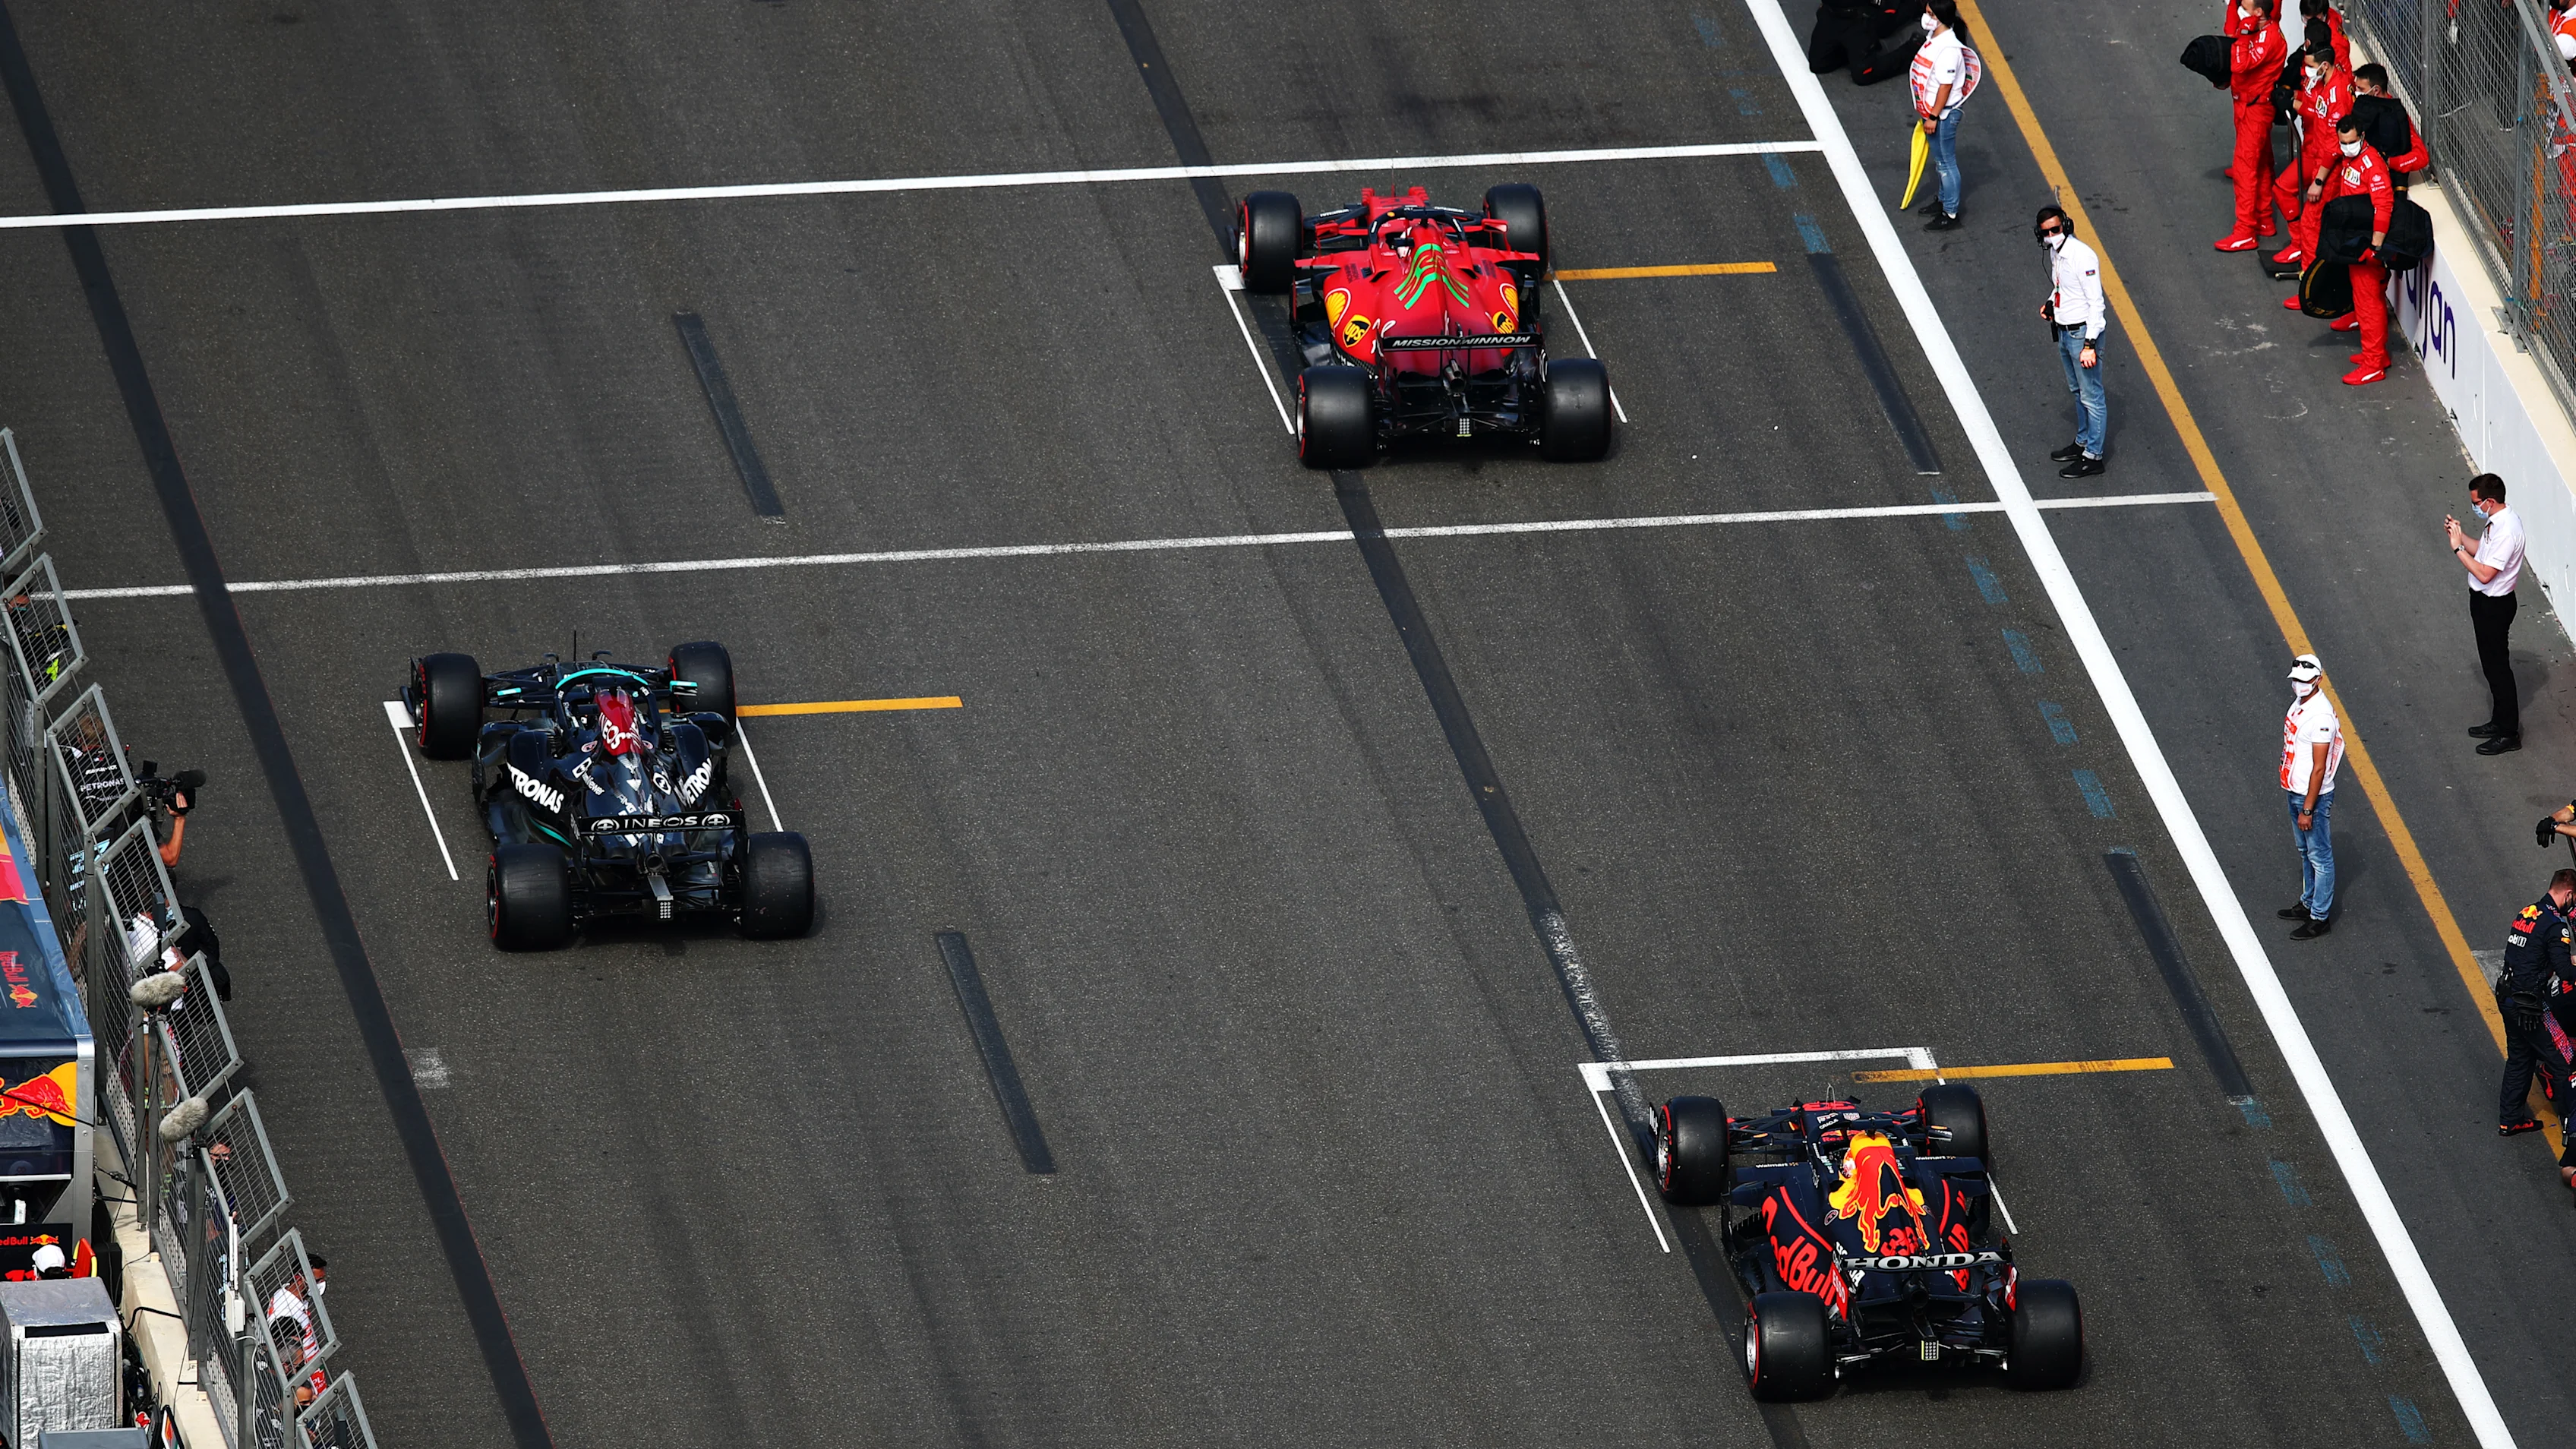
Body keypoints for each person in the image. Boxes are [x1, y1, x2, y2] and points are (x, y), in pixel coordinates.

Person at [2447, 473, 2527, 753]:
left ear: (2490, 501)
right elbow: (2482, 552)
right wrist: (2460, 536)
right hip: (2484, 603)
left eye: (2476, 503)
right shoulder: (2496, 521)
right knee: (2491, 667)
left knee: (2498, 669)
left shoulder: (2507, 531)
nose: (2475, 507)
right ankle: (2499, 721)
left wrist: (2457, 548)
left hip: (2495, 607)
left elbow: (2484, 573)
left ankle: (2509, 733)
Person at [2496, 870, 2576, 1148]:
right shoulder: (2557, 926)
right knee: (2565, 1062)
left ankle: (2509, 1120)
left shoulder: (2527, 913)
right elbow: (2566, 973)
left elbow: (2531, 953)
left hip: (2506, 996)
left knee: (2521, 1057)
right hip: (2530, 1005)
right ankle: (2571, 1129)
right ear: (2569, 894)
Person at [2315, 112, 2394, 384]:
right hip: (2354, 240)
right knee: (2364, 300)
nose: (2346, 147)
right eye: (2343, 142)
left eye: (2351, 142)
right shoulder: (2351, 157)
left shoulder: (2372, 165)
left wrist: (2375, 246)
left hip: (2366, 245)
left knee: (2368, 303)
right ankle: (2378, 355)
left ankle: (2374, 365)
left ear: (2362, 137)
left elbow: (2384, 206)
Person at [2036, 205, 2109, 476]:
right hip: (2065, 331)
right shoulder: (2056, 253)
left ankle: (2094, 456)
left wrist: (2090, 345)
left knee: (2092, 396)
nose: (2051, 236)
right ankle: (2082, 442)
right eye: (2046, 233)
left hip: (2082, 335)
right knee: (2077, 391)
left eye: (2055, 229)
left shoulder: (2082, 256)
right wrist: (2050, 303)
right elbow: (2062, 287)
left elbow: (2096, 303)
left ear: (2065, 226)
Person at [2270, 28, 2350, 267]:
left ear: (2324, 65)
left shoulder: (2337, 93)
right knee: (2284, 191)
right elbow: (2316, 109)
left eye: (2310, 66)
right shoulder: (2325, 83)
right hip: (2314, 153)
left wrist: (2319, 181)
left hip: (2328, 166)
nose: (2305, 71)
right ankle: (2300, 249)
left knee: (2313, 222)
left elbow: (2335, 145)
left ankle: (2310, 278)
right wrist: (2292, 97)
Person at [2275, 654, 2341, 938]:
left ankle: (2319, 917)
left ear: (2319, 679)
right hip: (2295, 791)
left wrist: (2308, 809)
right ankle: (2308, 902)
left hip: (2310, 797)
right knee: (2305, 852)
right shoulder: (2302, 703)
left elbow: (2319, 768)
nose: (2298, 685)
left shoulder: (2321, 717)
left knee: (2320, 857)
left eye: (2305, 680)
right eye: (2296, 680)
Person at [2219, 0, 2287, 251]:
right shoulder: (2259, 29)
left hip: (2255, 110)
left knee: (2244, 169)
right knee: (2261, 163)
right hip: (2245, 104)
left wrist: (2245, 33)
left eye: (2245, 5)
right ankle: (2264, 219)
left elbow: (2239, 64)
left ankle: (2245, 230)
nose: (2240, 6)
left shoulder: (2269, 37)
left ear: (2259, 12)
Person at [1910, 1, 1973, 230]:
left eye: (1930, 13)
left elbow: (1945, 87)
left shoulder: (1948, 50)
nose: (1925, 17)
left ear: (1940, 17)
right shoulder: (1935, 38)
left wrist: (1934, 117)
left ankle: (1951, 213)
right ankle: (1943, 200)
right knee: (1940, 163)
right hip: (1934, 112)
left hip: (1943, 115)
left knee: (1946, 164)